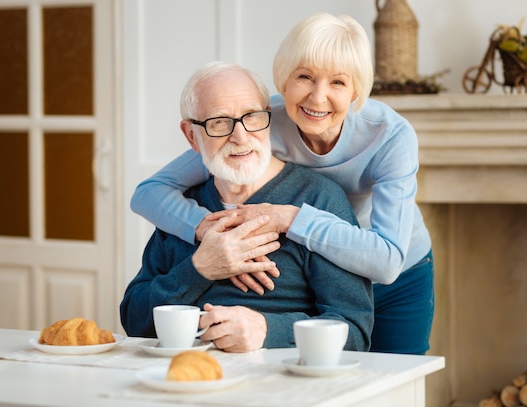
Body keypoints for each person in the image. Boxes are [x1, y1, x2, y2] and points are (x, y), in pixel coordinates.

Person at [130, 13, 434, 355]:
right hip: (320, 262)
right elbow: (150, 192)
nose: (317, 98)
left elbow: (387, 263)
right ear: (284, 80)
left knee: (395, 378)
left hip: (394, 266)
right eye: (304, 76)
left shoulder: (389, 136)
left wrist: (291, 218)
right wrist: (209, 236)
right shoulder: (259, 118)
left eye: (338, 82)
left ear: (356, 91)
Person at [120, 61, 373, 353]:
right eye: (219, 122)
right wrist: (199, 268)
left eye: (252, 117)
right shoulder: (181, 209)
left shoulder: (318, 198)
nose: (240, 137)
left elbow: (355, 331)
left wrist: (268, 330)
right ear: (192, 136)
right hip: (187, 379)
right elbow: (133, 320)